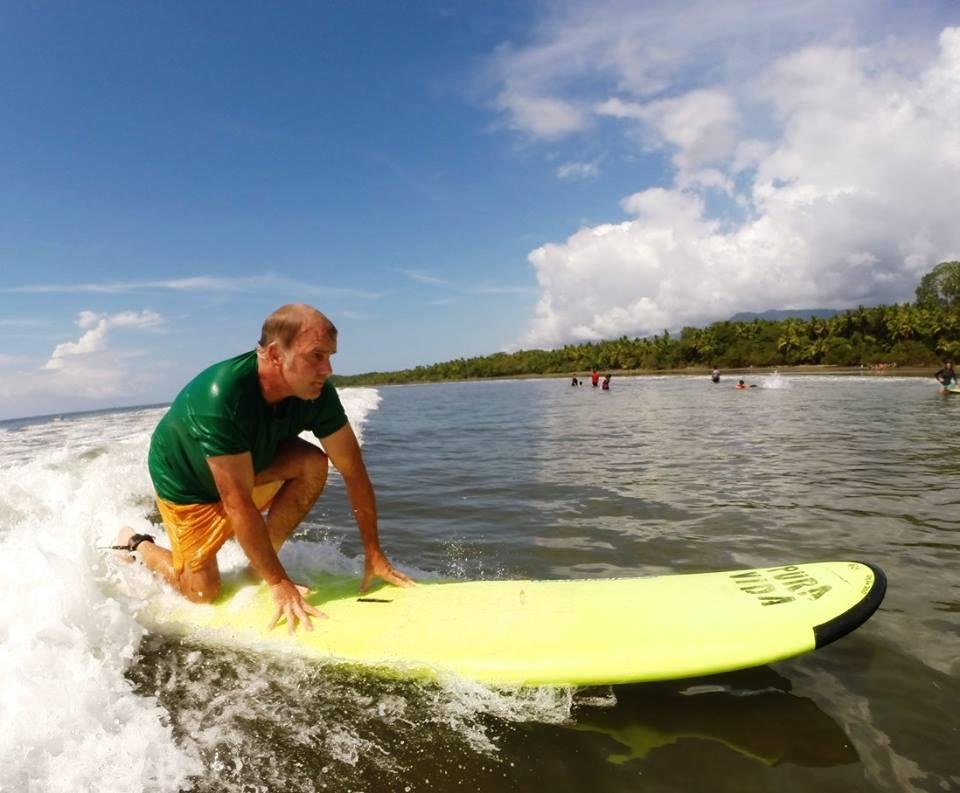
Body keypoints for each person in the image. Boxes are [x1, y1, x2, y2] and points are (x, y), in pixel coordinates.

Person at [115, 303, 413, 633]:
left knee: (313, 464)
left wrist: (374, 553)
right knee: (202, 593)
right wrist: (280, 584)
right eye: (316, 355)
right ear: (274, 354)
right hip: (188, 485)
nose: (327, 368)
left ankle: (258, 567)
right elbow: (237, 503)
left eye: (330, 356)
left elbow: (354, 470)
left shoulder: (317, 393)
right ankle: (137, 544)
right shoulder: (221, 397)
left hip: (249, 463)